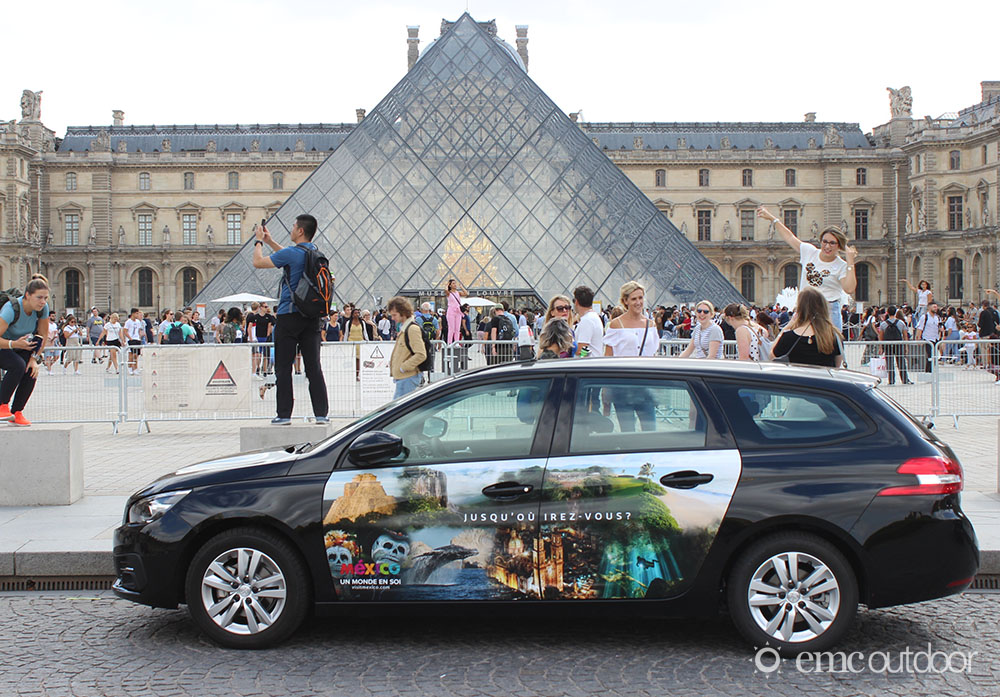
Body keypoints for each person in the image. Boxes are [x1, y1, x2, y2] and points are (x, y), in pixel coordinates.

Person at [252, 214, 329, 425]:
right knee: (314, 367)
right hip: (312, 317)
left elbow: (258, 262)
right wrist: (271, 242)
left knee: (283, 367)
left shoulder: (292, 253)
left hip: (289, 314)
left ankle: (284, 415)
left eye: (294, 226)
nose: (291, 229)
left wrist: (259, 240)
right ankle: (321, 414)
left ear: (301, 231)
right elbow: (288, 256)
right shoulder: (315, 252)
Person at [757, 206, 857, 331]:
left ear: (839, 246)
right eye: (824, 241)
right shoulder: (810, 252)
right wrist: (772, 218)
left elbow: (849, 289)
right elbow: (789, 237)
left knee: (829, 348)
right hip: (805, 308)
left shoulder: (841, 266)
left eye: (832, 243)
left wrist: (850, 262)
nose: (827, 246)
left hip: (828, 310)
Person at [0, 276, 51, 426]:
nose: (43, 301)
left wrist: (35, 358)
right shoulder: (10, 309)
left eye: (46, 298)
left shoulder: (43, 309)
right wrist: (13, 343)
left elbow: (43, 335)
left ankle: (17, 412)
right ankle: (2, 405)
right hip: (4, 344)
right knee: (17, 365)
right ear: (27, 295)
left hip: (20, 345)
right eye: (39, 297)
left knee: (31, 370)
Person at [771, 287, 843, 368]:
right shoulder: (834, 336)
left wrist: (786, 328)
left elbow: (772, 356)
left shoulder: (788, 337)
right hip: (825, 379)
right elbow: (837, 366)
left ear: (799, 309)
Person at [604, 281, 659, 358]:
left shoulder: (651, 324)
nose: (638, 302)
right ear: (625, 301)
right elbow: (608, 356)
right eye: (634, 299)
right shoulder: (616, 324)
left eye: (640, 298)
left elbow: (653, 353)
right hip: (624, 369)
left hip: (646, 369)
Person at [387, 296, 426, 398]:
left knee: (398, 411)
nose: (392, 318)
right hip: (404, 378)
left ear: (403, 312)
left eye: (394, 315)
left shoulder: (412, 329)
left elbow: (421, 354)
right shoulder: (406, 328)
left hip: (407, 377)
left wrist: (403, 367)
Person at [879, 306, 913, 384]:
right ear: (895, 312)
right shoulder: (901, 323)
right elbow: (905, 335)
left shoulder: (883, 324)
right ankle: (904, 379)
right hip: (898, 344)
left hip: (888, 345)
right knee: (901, 362)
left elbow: (881, 336)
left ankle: (891, 380)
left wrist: (881, 347)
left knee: (889, 363)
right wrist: (906, 346)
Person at [573, 285, 604, 358]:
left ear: (576, 302)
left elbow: (581, 349)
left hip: (587, 365)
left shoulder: (587, 320)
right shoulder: (593, 317)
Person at [913, 302, 941, 372]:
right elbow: (920, 329)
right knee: (929, 356)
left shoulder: (937, 317)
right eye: (934, 307)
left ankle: (931, 371)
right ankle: (928, 371)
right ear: (929, 308)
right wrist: (918, 339)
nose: (936, 308)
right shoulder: (925, 317)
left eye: (936, 307)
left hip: (936, 339)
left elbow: (939, 328)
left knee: (934, 356)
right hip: (928, 338)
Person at [444, 278, 467, 344]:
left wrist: (461, 287)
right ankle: (449, 342)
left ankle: (456, 342)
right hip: (451, 311)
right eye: (453, 283)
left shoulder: (458, 293)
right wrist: (447, 284)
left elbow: (466, 293)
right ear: (450, 285)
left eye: (455, 283)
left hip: (458, 311)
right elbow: (445, 290)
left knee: (457, 328)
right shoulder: (449, 293)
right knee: (451, 328)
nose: (455, 285)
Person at [123, 308, 145, 375]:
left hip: (137, 339)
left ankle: (135, 368)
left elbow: (138, 330)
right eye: (137, 313)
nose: (138, 315)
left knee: (136, 355)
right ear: (133, 314)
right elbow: (125, 331)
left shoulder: (138, 322)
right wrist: (130, 338)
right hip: (131, 339)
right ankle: (130, 367)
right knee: (131, 355)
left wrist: (139, 337)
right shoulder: (128, 322)